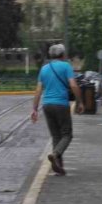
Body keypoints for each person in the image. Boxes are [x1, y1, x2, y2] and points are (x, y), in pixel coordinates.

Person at [31, 44, 83, 176]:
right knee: (67, 135)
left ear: (51, 55)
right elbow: (73, 85)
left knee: (56, 136)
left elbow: (38, 90)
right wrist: (80, 102)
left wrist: (34, 109)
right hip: (61, 104)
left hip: (47, 105)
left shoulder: (44, 69)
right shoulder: (66, 66)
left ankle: (58, 166)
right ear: (63, 55)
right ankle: (56, 154)